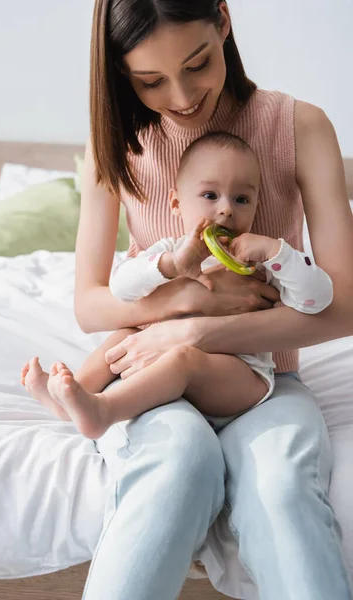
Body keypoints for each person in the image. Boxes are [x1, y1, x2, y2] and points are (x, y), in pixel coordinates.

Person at [26, 1, 353, 599]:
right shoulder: (118, 144)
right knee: (178, 465)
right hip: (152, 373)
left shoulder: (300, 126)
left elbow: (344, 306)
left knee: (282, 484)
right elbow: (92, 305)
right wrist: (180, 308)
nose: (180, 97)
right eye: (150, 81)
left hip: (266, 380)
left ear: (223, 22)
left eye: (198, 64)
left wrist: (203, 335)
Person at [22, 132, 334, 442]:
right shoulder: (170, 250)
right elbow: (121, 288)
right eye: (210, 196)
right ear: (176, 203)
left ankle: (104, 411)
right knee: (125, 337)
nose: (226, 209)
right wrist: (172, 264)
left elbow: (318, 299)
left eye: (241, 199)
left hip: (240, 379)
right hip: (162, 367)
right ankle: (69, 399)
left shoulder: (259, 262)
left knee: (183, 358)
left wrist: (276, 251)